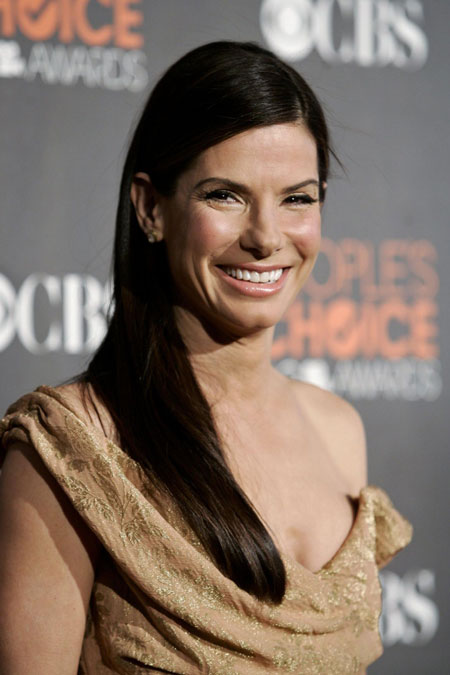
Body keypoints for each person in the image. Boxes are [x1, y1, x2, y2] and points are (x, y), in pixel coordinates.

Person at [0, 41, 412, 674]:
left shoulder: (339, 428)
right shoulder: (71, 447)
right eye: (225, 195)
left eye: (297, 198)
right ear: (151, 208)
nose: (267, 237)